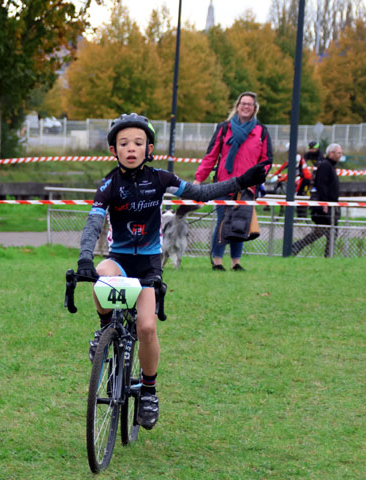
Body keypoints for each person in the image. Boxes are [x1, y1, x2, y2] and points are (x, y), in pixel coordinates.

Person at [76, 113, 269, 430]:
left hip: (149, 264)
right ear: (114, 150)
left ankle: (149, 391)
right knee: (99, 273)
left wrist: (240, 181)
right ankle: (104, 328)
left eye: (138, 143)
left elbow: (201, 193)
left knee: (147, 328)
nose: (131, 148)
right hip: (119, 258)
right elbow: (93, 223)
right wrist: (85, 256)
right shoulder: (109, 184)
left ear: (148, 148)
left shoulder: (161, 179)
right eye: (124, 143)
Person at [193, 92, 273, 271]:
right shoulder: (223, 128)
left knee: (241, 223)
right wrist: (199, 179)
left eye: (249, 104)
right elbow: (211, 155)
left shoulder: (261, 131)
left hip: (248, 186)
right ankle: (217, 261)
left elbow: (266, 159)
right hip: (224, 183)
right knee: (223, 221)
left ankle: (236, 262)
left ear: (254, 108)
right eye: (243, 103)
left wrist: (259, 177)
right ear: (237, 106)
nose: (246, 107)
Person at [291, 143, 344, 257]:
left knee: (322, 232)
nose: (340, 155)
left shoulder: (329, 166)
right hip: (325, 206)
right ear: (331, 153)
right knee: (328, 231)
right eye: (338, 153)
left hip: (329, 206)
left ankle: (297, 247)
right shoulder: (326, 166)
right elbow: (321, 185)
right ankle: (327, 255)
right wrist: (324, 204)